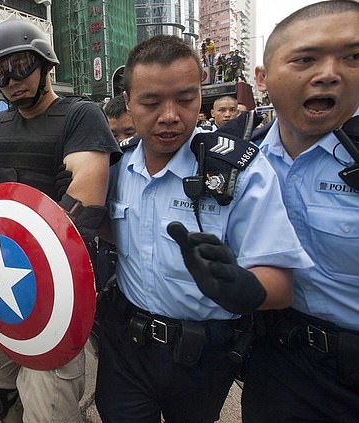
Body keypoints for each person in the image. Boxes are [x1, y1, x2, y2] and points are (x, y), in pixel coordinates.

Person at [94, 35, 312, 423]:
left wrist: (240, 287)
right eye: (150, 102)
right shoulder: (114, 166)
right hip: (124, 347)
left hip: (200, 357)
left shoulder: (238, 170)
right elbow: (113, 232)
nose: (170, 115)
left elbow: (279, 285)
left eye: (186, 98)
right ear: (127, 102)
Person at [0, 19, 120, 423]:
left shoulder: (81, 115)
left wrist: (40, 253)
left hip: (53, 286)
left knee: (49, 411)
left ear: (46, 65)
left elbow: (88, 195)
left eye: (21, 65)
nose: (11, 79)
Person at [241, 2, 359, 421]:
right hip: (276, 365)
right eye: (306, 59)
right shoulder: (240, 159)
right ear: (262, 77)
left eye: (353, 57)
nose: (329, 73)